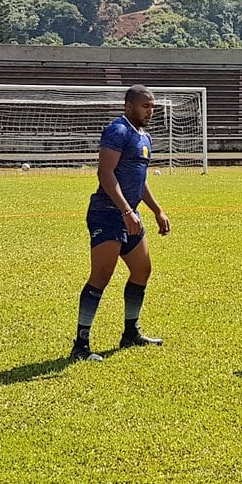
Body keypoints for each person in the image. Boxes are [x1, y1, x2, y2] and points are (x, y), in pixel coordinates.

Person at [72, 85, 170, 362]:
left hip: (131, 215)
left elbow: (140, 179)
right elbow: (105, 173)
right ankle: (80, 346)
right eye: (145, 106)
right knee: (101, 276)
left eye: (152, 106)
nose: (150, 111)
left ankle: (130, 333)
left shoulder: (144, 136)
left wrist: (157, 210)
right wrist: (127, 212)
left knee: (142, 270)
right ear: (129, 105)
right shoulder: (118, 130)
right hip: (107, 212)